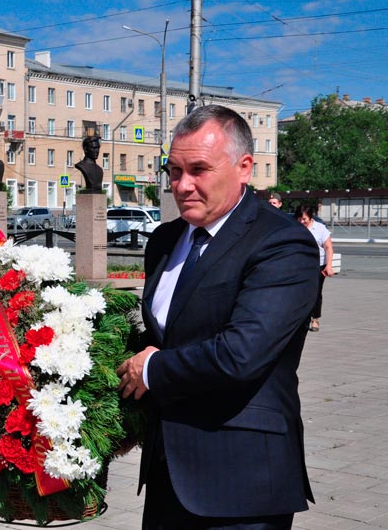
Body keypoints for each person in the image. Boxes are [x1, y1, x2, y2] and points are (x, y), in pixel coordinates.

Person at [116, 105, 318, 529]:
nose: (182, 185)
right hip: (168, 472)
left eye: (199, 169)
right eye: (173, 171)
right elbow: (163, 336)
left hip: (241, 481)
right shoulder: (166, 240)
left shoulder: (282, 242)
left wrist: (150, 367)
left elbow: (241, 354)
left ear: (244, 167)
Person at [295, 204, 334, 332]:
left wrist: (328, 265)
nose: (301, 221)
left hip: (318, 265)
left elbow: (328, 247)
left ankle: (315, 318)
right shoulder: (295, 228)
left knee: (316, 292)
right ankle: (301, 318)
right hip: (300, 265)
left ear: (311, 218)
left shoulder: (320, 229)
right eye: (299, 219)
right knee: (299, 291)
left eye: (304, 219)